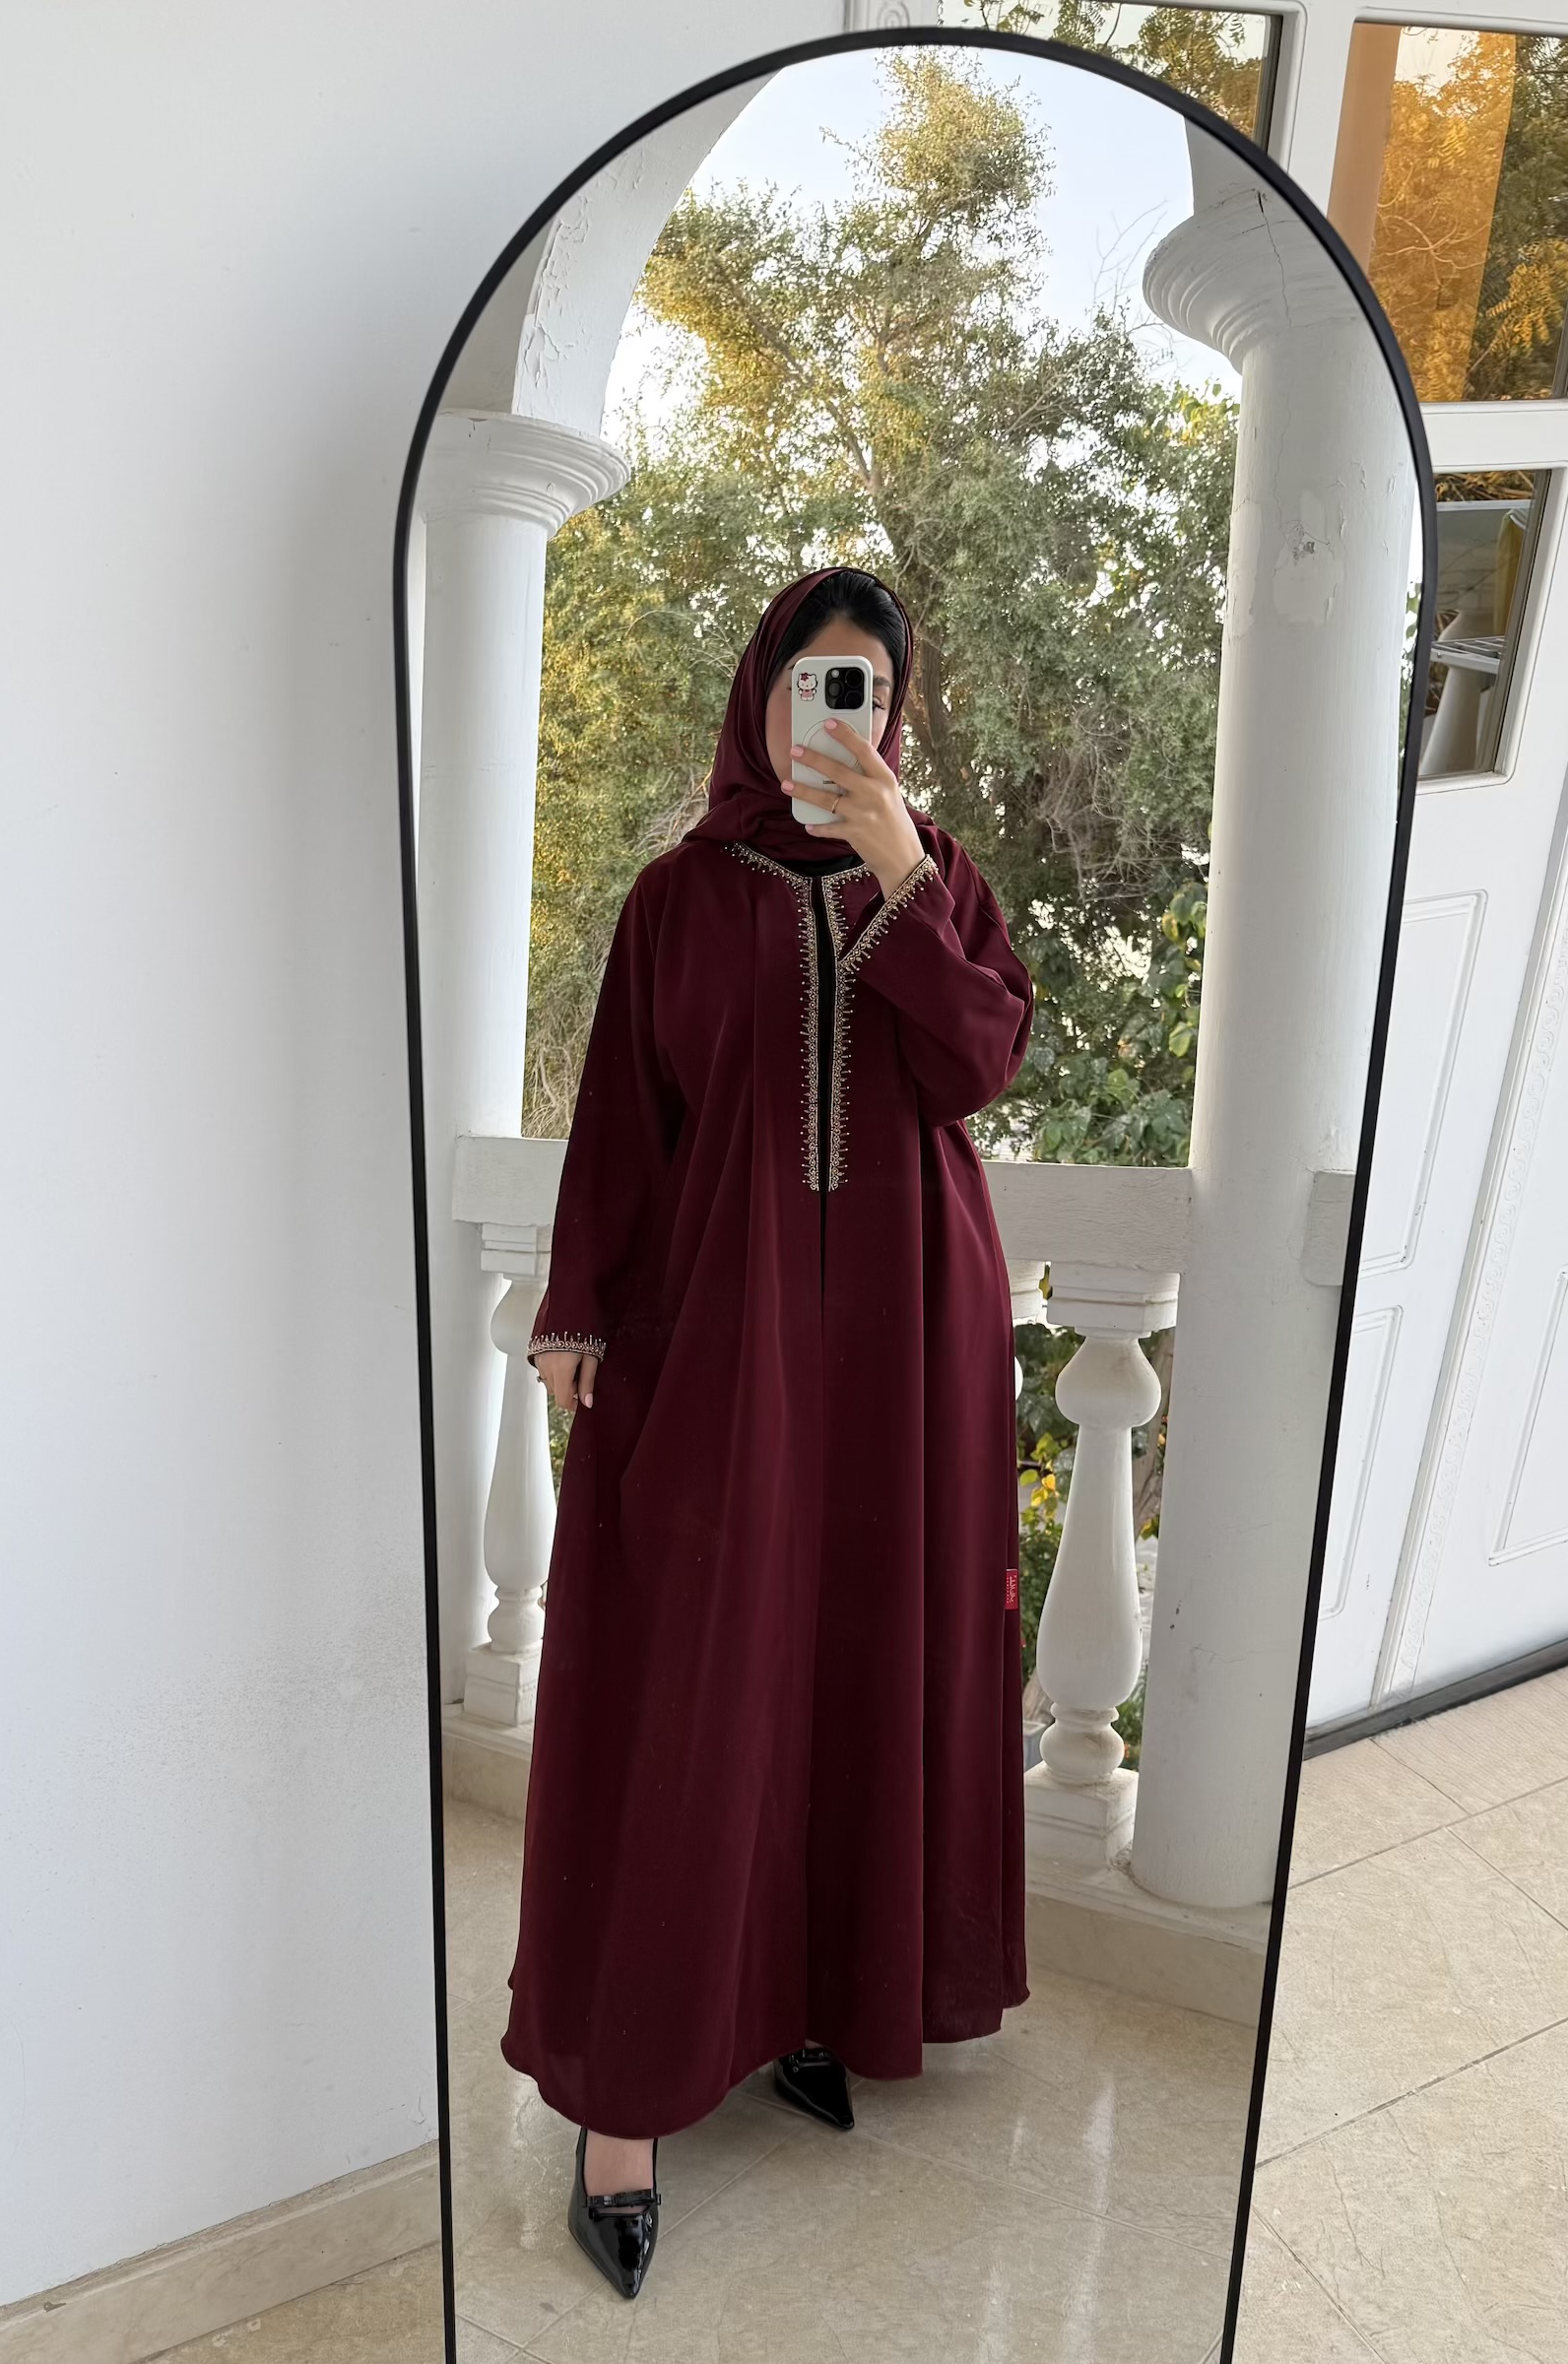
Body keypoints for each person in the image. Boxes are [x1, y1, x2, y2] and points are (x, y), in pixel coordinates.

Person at [503, 566, 1033, 2299]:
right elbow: (622, 1121)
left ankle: (810, 2004)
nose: (842, 717)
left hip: (903, 1340)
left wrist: (901, 872)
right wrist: (579, 1310)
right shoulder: (677, 897)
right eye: (818, 682)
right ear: (762, 695)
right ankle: (623, 2098)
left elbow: (977, 1070)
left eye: (869, 688)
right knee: (689, 1680)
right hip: (718, 1336)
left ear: (900, 711)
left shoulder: (940, 877)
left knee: (849, 1666)